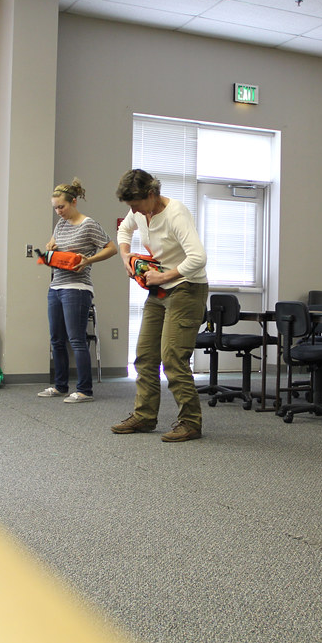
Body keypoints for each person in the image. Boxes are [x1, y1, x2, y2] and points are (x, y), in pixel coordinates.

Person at [111, 168, 208, 442]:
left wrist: (165, 275)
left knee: (173, 358)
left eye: (136, 204)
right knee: (145, 356)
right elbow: (123, 230)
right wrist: (126, 258)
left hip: (187, 290)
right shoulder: (140, 211)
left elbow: (198, 258)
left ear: (152, 194)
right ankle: (144, 416)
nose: (134, 211)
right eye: (130, 206)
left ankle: (190, 422)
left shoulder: (176, 213)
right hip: (159, 291)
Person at [37, 178, 117, 403]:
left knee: (77, 340)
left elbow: (112, 248)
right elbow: (52, 247)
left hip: (77, 288)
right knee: (56, 339)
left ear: (73, 202)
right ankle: (60, 386)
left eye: (61, 206)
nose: (58, 211)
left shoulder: (88, 224)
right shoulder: (60, 224)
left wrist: (88, 259)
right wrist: (49, 248)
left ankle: (84, 390)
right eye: (55, 208)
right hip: (56, 286)